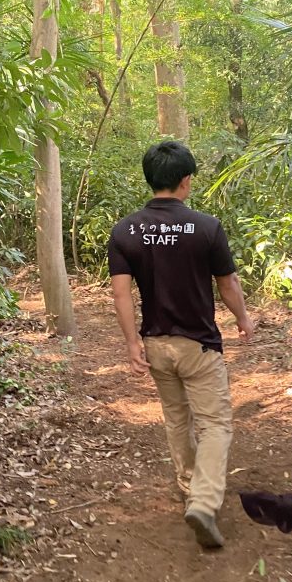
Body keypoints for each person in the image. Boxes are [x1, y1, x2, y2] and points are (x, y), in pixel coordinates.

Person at [107, 141, 256, 550]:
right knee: (215, 424)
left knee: (176, 418)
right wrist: (243, 318)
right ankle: (204, 502)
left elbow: (121, 294)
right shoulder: (207, 227)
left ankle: (190, 485)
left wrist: (132, 342)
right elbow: (228, 283)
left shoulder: (125, 231)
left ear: (150, 179)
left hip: (156, 344)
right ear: (186, 181)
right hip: (199, 345)